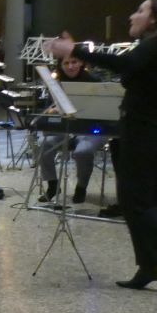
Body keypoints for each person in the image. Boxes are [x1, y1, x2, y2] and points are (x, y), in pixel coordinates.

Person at [47, 0, 157, 298]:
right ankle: (148, 267)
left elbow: (123, 65)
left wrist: (75, 49)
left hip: (145, 134)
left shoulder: (156, 46)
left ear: (155, 19)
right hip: (143, 132)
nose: (133, 16)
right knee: (133, 204)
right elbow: (131, 72)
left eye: (140, 11)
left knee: (139, 205)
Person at [35, 54, 104, 205]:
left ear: (81, 63)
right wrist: (52, 111)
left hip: (89, 130)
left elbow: (101, 110)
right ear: (61, 65)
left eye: (74, 62)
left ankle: (81, 187)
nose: (70, 66)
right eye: (66, 63)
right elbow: (48, 109)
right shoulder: (56, 83)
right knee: (43, 144)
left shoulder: (94, 81)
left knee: (83, 151)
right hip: (64, 129)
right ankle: (52, 185)